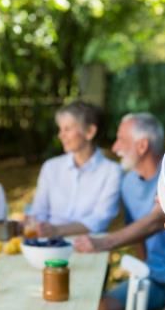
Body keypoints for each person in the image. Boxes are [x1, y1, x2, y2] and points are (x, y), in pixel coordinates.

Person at [74, 113, 165, 310]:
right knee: (101, 308)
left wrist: (102, 243)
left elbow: (155, 222)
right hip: (154, 275)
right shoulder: (128, 183)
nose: (115, 148)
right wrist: (145, 268)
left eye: (121, 140)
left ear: (142, 146)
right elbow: (138, 235)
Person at [29, 101, 121, 237]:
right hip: (49, 244)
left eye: (67, 129)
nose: (61, 135)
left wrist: (57, 230)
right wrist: (37, 224)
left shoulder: (112, 171)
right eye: (60, 129)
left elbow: (100, 220)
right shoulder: (50, 167)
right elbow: (38, 212)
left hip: (91, 247)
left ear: (90, 132)